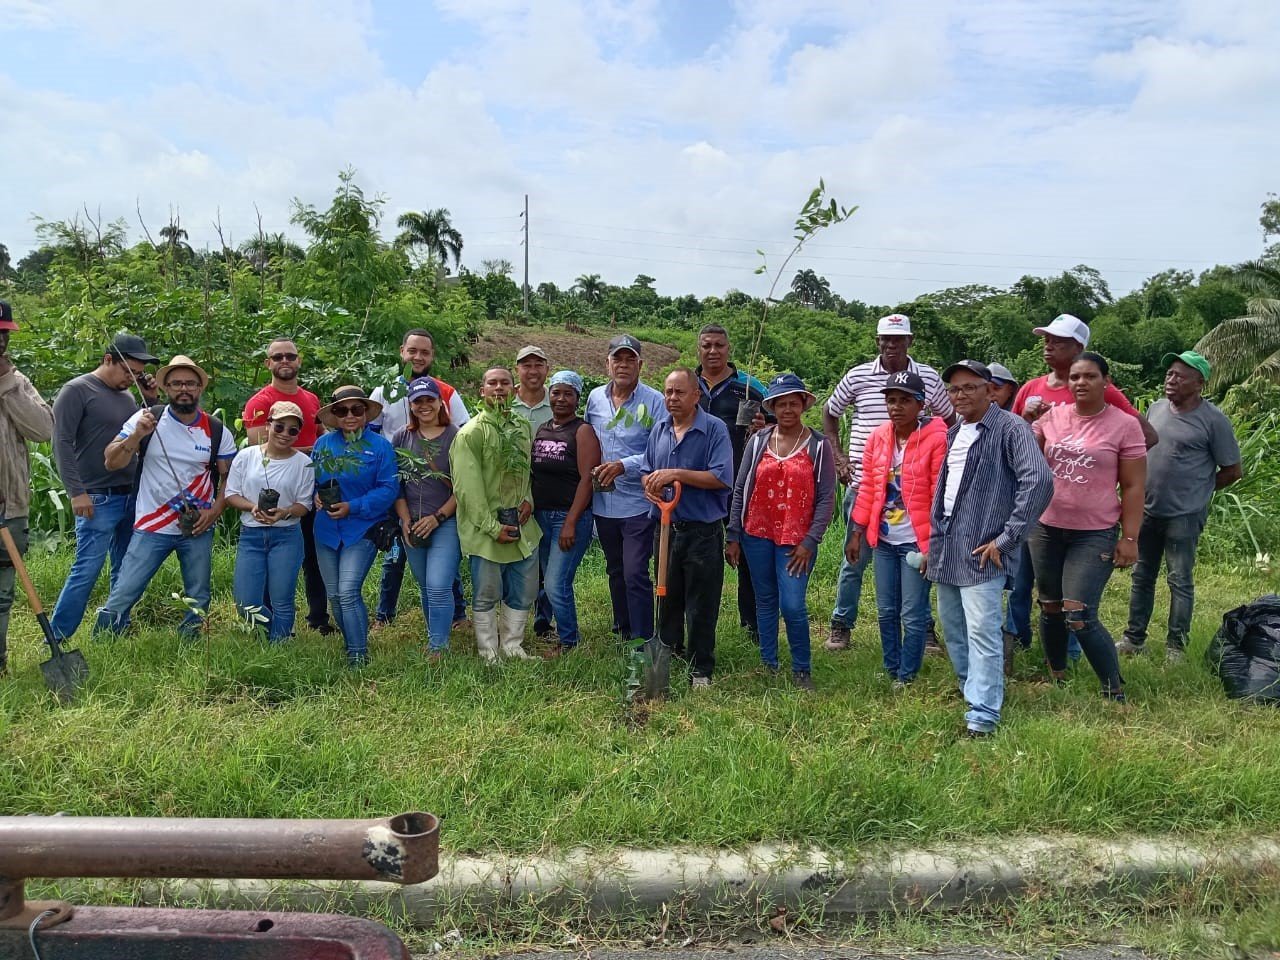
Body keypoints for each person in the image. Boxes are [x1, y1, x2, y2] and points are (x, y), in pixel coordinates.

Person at [927, 360, 1053, 739]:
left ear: (989, 389)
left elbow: (1039, 481)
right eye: (954, 389)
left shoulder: (1010, 428)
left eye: (969, 387)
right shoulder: (955, 432)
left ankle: (983, 715)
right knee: (954, 628)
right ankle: (973, 690)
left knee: (982, 631)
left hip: (984, 550)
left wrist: (1007, 538)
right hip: (949, 546)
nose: (960, 395)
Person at [823, 314, 954, 651]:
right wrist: (838, 457)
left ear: (910, 341)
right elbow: (830, 412)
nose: (891, 345)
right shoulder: (858, 376)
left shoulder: (927, 377)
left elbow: (949, 419)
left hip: (915, 491)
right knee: (854, 558)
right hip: (866, 485)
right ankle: (841, 624)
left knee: (919, 557)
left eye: (898, 339)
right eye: (886, 339)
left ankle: (923, 626)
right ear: (877, 341)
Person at [94, 356, 236, 639]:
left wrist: (215, 512)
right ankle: (105, 638)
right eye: (176, 383)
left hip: (197, 525)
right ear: (166, 388)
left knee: (198, 593)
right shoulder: (148, 418)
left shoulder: (216, 430)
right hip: (151, 524)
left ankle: (191, 641)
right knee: (126, 588)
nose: (184, 389)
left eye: (190, 383)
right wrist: (136, 435)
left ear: (200, 388)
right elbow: (111, 461)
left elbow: (230, 477)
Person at [1030, 353, 1146, 700]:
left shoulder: (1124, 425)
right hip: (1046, 527)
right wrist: (1027, 420)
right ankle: (1057, 675)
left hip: (1094, 531)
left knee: (1078, 613)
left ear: (1106, 382)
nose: (1081, 382)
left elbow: (1134, 486)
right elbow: (1026, 459)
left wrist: (1130, 537)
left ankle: (1114, 690)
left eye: (1090, 376)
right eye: (1075, 377)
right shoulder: (1052, 417)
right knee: (1050, 605)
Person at [1119, 351, 1241, 663]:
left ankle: (1176, 647)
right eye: (1169, 374)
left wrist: (1199, 491)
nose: (1171, 380)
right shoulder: (1157, 408)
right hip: (1148, 509)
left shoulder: (1213, 420)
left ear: (1199, 384)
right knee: (1142, 575)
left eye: (1180, 376)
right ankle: (1134, 639)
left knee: (1179, 580)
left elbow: (1232, 470)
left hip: (1184, 515)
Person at [726, 374, 836, 690]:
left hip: (796, 541)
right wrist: (733, 534)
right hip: (756, 533)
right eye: (781, 404)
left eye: (793, 403)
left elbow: (826, 498)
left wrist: (810, 541)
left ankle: (801, 669)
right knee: (765, 599)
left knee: (792, 605)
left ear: (803, 405)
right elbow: (741, 488)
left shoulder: (818, 445)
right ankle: (769, 663)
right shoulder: (758, 441)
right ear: (772, 407)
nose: (787, 409)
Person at [48, 333, 160, 644]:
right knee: (87, 568)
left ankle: (115, 628)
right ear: (108, 359)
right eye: (128, 371)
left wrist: (151, 400)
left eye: (137, 374)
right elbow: (61, 443)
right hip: (96, 495)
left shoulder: (127, 397)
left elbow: (141, 434)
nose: (131, 379)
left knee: (125, 567)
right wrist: (76, 491)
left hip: (130, 493)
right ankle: (57, 636)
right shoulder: (77, 390)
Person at [848, 371, 948, 688]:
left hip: (916, 541)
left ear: (921, 404)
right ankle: (892, 668)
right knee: (885, 609)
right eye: (891, 400)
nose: (896, 407)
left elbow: (939, 494)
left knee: (912, 611)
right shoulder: (878, 437)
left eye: (905, 400)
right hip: (884, 540)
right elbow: (868, 488)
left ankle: (908, 674)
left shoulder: (937, 438)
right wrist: (857, 531)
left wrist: (934, 544)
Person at [369, 328, 470, 629]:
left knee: (442, 559)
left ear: (432, 356)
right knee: (396, 553)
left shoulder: (446, 392)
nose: (418, 356)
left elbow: (464, 435)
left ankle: (457, 615)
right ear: (402, 351)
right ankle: (384, 614)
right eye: (412, 350)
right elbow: (370, 435)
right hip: (398, 486)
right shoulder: (384, 392)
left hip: (439, 491)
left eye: (424, 352)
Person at [640, 367, 732, 688]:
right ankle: (669, 656)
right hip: (665, 530)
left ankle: (701, 669)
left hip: (702, 533)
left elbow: (721, 477)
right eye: (668, 392)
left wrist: (675, 474)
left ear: (696, 395)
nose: (672, 398)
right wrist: (650, 485)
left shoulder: (715, 429)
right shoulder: (660, 429)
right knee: (667, 598)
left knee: (701, 604)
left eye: (679, 392)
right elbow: (647, 470)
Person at [241, 337, 332, 636]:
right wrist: (308, 452)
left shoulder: (312, 400)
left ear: (298, 360)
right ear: (268, 363)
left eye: (290, 356)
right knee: (274, 558)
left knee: (314, 555)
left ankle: (318, 617)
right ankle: (270, 622)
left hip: (311, 487)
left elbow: (322, 434)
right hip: (274, 490)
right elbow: (260, 446)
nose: (284, 361)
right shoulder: (259, 402)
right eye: (278, 356)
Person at [450, 367, 542, 662]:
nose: (499, 388)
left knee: (525, 588)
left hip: (522, 525)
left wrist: (528, 500)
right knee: (487, 592)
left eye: (505, 383)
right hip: (486, 530)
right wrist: (492, 527)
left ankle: (512, 646)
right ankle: (488, 650)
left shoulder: (522, 427)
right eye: (492, 383)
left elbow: (528, 472)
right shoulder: (471, 433)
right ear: (482, 391)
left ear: (515, 390)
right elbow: (467, 489)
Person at [585, 334, 669, 643]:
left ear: (640, 365)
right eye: (617, 359)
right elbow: (587, 440)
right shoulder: (595, 398)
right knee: (616, 569)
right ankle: (623, 629)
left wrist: (625, 465)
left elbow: (661, 449)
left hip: (638, 502)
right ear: (607, 364)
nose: (623, 365)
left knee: (635, 571)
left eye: (629, 359)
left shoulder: (655, 401)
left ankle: (644, 637)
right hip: (604, 502)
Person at [311, 386, 398, 665]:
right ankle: (352, 642)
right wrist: (315, 496)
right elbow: (312, 481)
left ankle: (358, 655)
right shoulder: (323, 445)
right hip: (326, 531)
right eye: (342, 410)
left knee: (348, 591)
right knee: (335, 595)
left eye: (356, 409)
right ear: (334, 415)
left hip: (362, 529)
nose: (349, 415)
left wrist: (354, 506)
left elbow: (388, 489)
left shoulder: (380, 447)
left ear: (365, 412)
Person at [695, 323, 768, 642]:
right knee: (700, 556)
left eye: (719, 345)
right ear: (698, 349)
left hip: (742, 484)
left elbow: (779, 429)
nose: (713, 351)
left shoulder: (749, 388)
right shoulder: (689, 386)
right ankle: (698, 623)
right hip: (699, 486)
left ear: (729, 349)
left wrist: (764, 426)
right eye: (707, 345)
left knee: (748, 556)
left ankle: (752, 626)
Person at [224, 401, 314, 643]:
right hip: (251, 535)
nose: (285, 434)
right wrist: (251, 507)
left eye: (292, 430)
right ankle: (273, 631)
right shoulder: (247, 456)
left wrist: (284, 512)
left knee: (282, 598)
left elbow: (304, 504)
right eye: (279, 427)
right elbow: (231, 494)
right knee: (246, 603)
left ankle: (279, 646)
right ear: (268, 425)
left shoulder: (303, 463)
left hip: (286, 536)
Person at [0, 300, 55, 676]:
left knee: (3, 592)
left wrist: (6, 382)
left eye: (4, 334)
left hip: (11, 508)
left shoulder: (17, 382)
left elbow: (43, 430)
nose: (1, 341)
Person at [530, 370, 600, 657]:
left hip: (568, 518)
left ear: (577, 398)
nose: (560, 399)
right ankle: (544, 625)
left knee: (557, 583)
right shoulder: (543, 428)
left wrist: (571, 521)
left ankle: (570, 641)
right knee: (545, 578)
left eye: (567, 394)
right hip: (541, 516)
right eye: (556, 392)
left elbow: (587, 480)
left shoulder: (582, 431)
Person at [391, 378, 460, 661]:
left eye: (429, 400)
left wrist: (437, 517)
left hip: (445, 521)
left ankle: (438, 647)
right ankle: (435, 635)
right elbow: (397, 485)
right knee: (425, 585)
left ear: (440, 402)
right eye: (417, 401)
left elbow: (463, 488)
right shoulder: (401, 437)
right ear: (410, 406)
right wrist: (405, 520)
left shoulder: (456, 436)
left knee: (439, 585)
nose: (424, 406)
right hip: (412, 522)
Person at [1013, 313, 1158, 447]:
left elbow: (1148, 435)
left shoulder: (1098, 389)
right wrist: (1025, 420)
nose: (1048, 347)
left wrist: (1110, 461)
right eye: (1047, 340)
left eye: (1057, 342)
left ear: (1078, 348)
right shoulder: (1030, 388)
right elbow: (1009, 437)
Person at [988, 360, 1034, 673]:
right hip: (982, 522)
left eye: (996, 387)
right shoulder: (966, 425)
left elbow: (1033, 480)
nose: (990, 393)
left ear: (1010, 391)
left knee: (1016, 582)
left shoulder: (1017, 427)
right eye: (985, 386)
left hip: (1015, 519)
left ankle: (1014, 638)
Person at [512, 344, 554, 636]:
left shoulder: (558, 401)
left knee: (547, 560)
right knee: (515, 558)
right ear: (517, 370)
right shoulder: (505, 403)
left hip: (548, 494)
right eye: (526, 365)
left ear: (547, 369)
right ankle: (512, 615)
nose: (532, 371)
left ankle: (543, 619)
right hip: (513, 495)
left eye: (538, 365)